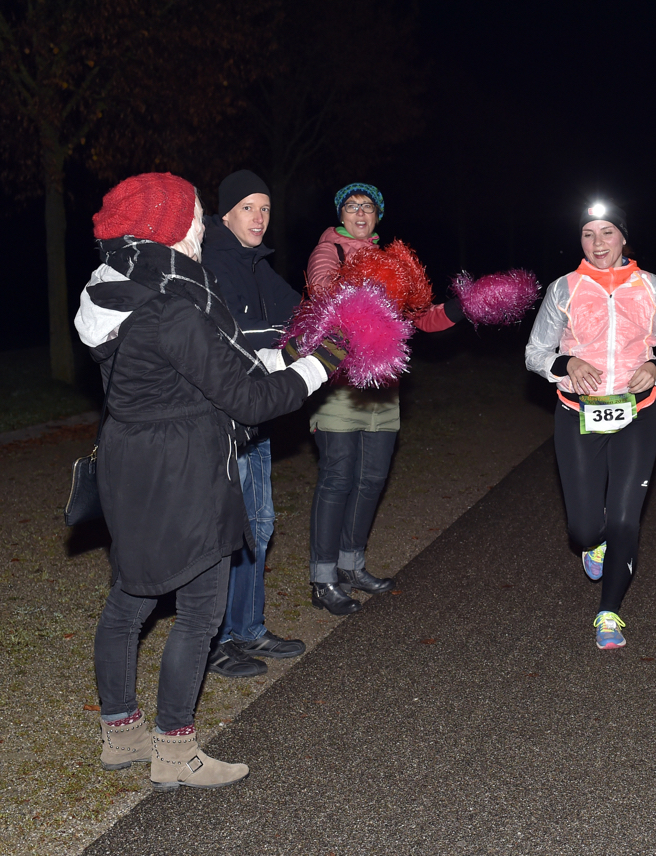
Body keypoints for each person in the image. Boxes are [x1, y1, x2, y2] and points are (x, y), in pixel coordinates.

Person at [76, 173, 336, 789]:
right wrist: (320, 369)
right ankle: (174, 750)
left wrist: (293, 357)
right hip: (184, 472)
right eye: (193, 216)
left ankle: (121, 733)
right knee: (198, 611)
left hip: (130, 463)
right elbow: (246, 396)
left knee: (129, 600)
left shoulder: (119, 291)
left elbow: (220, 365)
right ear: (167, 228)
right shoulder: (173, 309)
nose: (201, 226)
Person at [525, 201, 656, 649]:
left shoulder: (653, 287)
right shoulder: (563, 289)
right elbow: (535, 353)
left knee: (624, 519)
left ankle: (609, 612)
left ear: (623, 237)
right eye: (588, 235)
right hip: (578, 414)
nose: (598, 244)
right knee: (583, 529)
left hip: (637, 413)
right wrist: (564, 362)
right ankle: (592, 543)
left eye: (607, 233)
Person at [305, 183, 466, 615]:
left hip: (383, 387)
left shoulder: (395, 262)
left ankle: (352, 565)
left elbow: (421, 317)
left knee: (372, 477)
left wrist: (461, 305)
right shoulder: (329, 252)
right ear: (341, 214)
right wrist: (372, 281)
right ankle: (323, 579)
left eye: (369, 207)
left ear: (378, 217)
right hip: (338, 383)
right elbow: (325, 293)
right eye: (353, 206)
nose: (361, 213)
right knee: (338, 476)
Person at [200, 169, 306, 678]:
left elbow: (304, 316)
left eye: (265, 208)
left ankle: (247, 627)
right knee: (229, 530)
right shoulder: (211, 263)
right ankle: (216, 640)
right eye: (248, 208)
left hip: (258, 414)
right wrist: (283, 342)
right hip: (224, 418)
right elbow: (230, 338)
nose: (260, 217)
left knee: (260, 526)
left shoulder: (259, 265)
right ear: (225, 214)